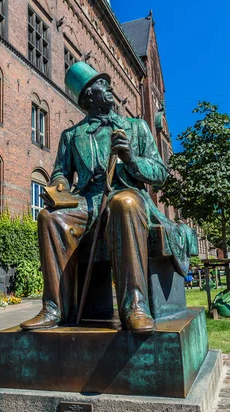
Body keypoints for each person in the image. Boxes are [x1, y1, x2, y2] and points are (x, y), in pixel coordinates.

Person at [20, 62, 198, 335]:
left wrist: (130, 158)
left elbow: (160, 174)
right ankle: (55, 308)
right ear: (89, 95)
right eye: (103, 84)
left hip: (129, 196)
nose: (110, 87)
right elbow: (61, 172)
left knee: (122, 203)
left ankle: (135, 306)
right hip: (87, 202)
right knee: (48, 217)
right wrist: (58, 185)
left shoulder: (136, 128)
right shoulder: (72, 135)